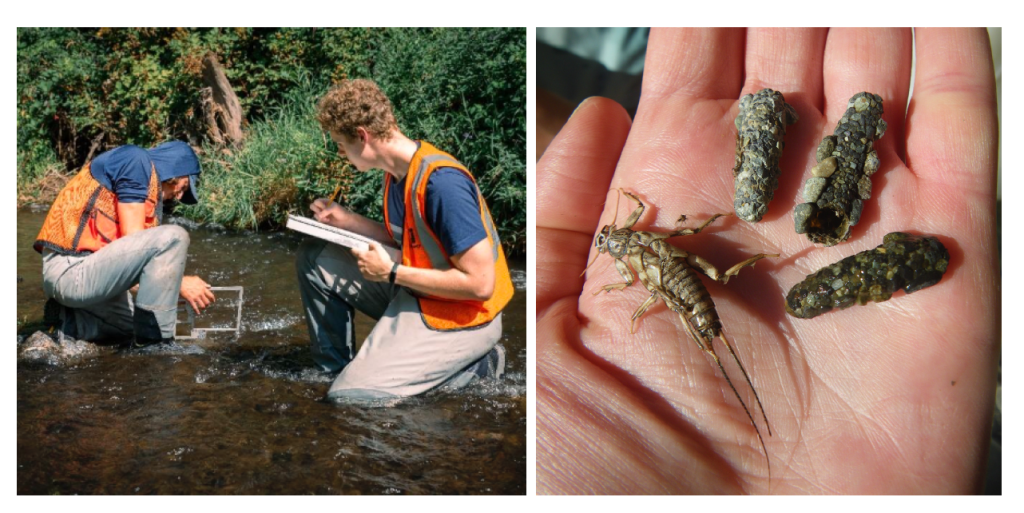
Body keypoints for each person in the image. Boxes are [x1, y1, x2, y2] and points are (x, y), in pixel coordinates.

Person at [536, 28, 999, 494]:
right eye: (613, 238)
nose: (613, 237)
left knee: (676, 297)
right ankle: (717, 333)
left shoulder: (629, 257)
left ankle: (717, 328)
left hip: (677, 281)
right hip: (681, 279)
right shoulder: (642, 242)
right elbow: (666, 235)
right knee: (683, 298)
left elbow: (643, 256)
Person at [296, 79, 514, 400]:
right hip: (421, 291)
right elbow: (410, 241)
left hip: (465, 314)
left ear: (362, 135)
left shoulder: (442, 184)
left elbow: (481, 284)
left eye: (340, 143)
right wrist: (347, 220)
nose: (339, 151)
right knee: (315, 255)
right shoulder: (397, 174)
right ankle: (334, 368)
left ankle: (474, 367)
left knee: (349, 398)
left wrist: (391, 273)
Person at [34, 141, 214, 344]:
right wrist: (179, 283)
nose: (179, 196)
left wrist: (164, 289)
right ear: (177, 170)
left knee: (133, 328)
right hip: (70, 271)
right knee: (174, 237)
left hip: (89, 277)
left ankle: (73, 321)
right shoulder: (135, 161)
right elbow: (135, 243)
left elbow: (133, 269)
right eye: (184, 188)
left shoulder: (146, 192)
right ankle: (157, 349)